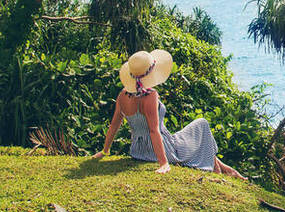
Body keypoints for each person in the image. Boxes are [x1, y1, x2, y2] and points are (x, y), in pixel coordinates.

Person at [91, 50, 246, 180]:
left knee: (191, 140)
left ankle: (224, 169)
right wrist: (163, 163)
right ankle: (219, 170)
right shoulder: (150, 96)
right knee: (202, 124)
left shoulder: (122, 95)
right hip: (162, 149)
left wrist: (105, 150)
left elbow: (114, 125)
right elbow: (153, 130)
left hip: (138, 150)